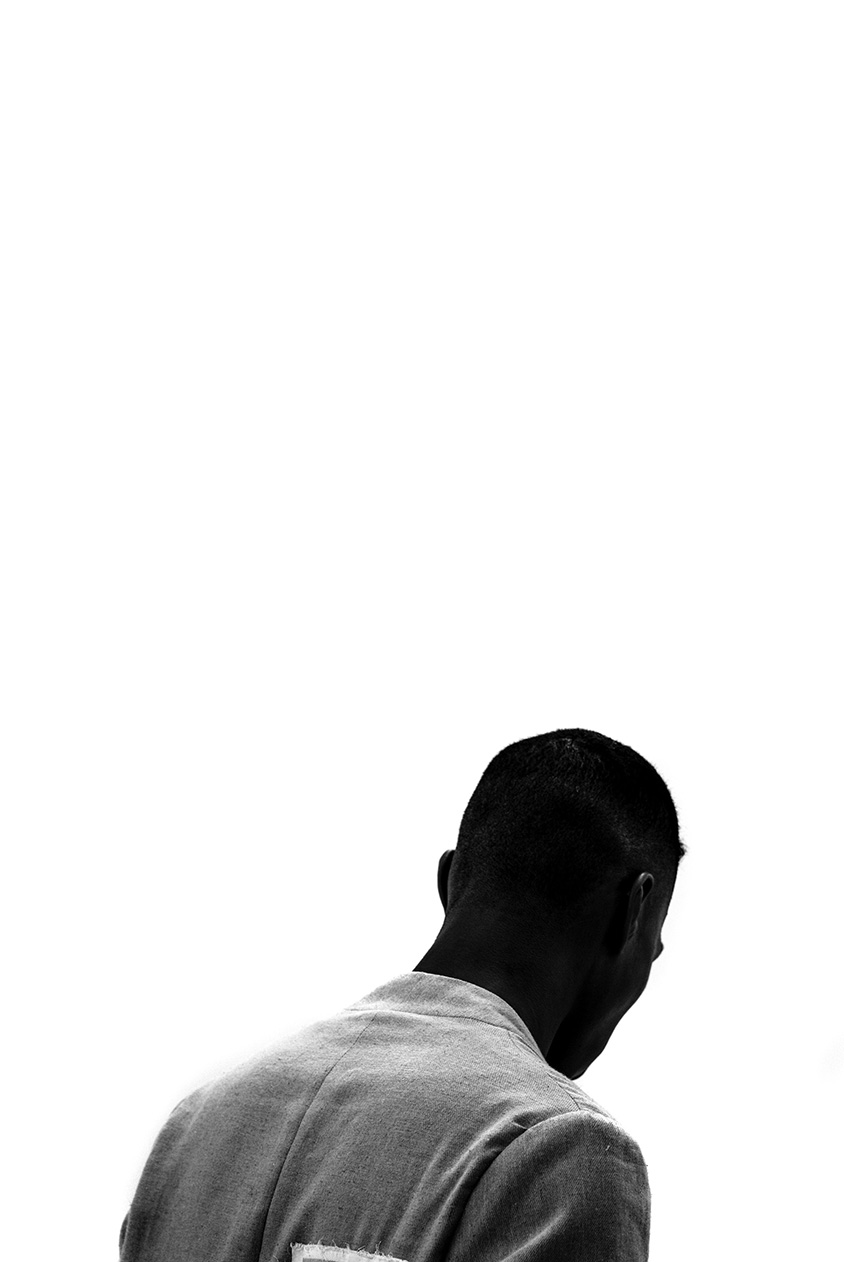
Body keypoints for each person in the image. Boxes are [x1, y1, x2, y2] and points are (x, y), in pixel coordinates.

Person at [119, 727, 685, 1262]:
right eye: (653, 947)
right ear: (633, 912)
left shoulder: (194, 1127)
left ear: (449, 881)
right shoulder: (558, 1148)